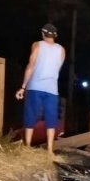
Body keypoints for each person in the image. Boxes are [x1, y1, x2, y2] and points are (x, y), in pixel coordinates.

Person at [15, 23, 65, 154]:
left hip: (35, 86)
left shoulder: (37, 45)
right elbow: (57, 69)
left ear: (43, 34)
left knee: (30, 116)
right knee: (51, 118)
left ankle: (27, 147)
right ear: (55, 35)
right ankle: (49, 150)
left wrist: (23, 86)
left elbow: (31, 65)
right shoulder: (61, 50)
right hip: (52, 89)